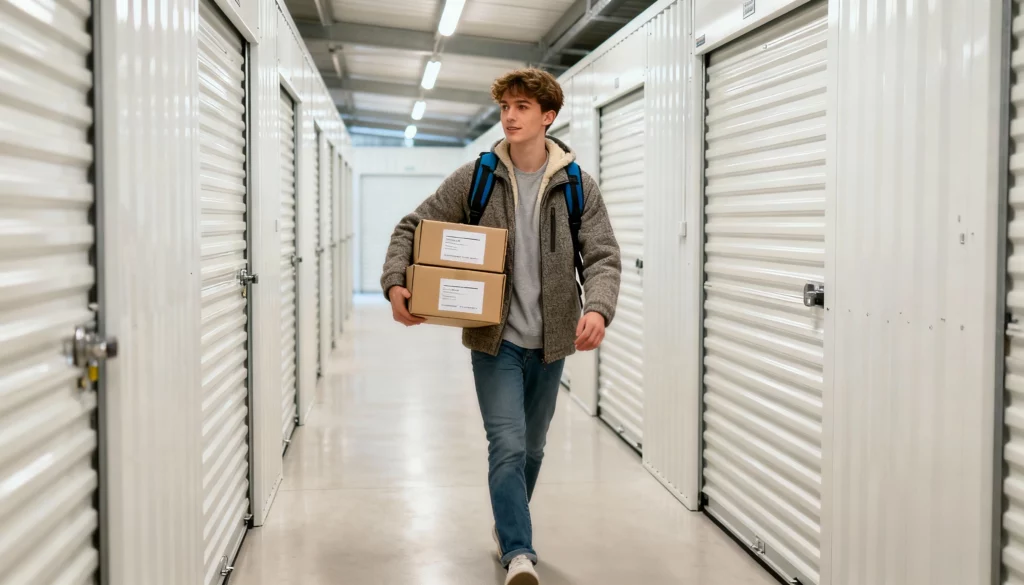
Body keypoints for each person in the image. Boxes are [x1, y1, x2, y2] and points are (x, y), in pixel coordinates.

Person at [380, 68, 621, 585]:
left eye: (522, 107)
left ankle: (507, 522)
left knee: (533, 448)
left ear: (548, 117)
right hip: (496, 340)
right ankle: (518, 552)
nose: (509, 116)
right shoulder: (478, 177)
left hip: (551, 343)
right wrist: (396, 280)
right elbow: (411, 226)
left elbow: (602, 255)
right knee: (508, 444)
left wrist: (597, 307)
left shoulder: (576, 185)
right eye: (505, 107)